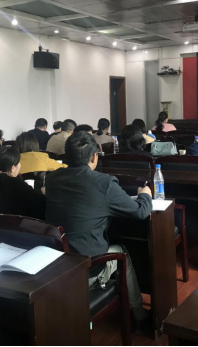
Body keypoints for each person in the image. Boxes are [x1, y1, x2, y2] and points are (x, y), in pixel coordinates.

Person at [45, 132, 153, 332]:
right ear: (94, 156)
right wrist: (145, 195)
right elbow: (140, 212)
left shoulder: (51, 179)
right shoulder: (104, 183)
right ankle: (139, 316)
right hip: (86, 269)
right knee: (122, 251)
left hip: (59, 265)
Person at [0, 147, 46, 219]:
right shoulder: (17, 185)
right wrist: (44, 194)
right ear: (13, 168)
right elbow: (41, 208)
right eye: (19, 162)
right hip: (12, 226)